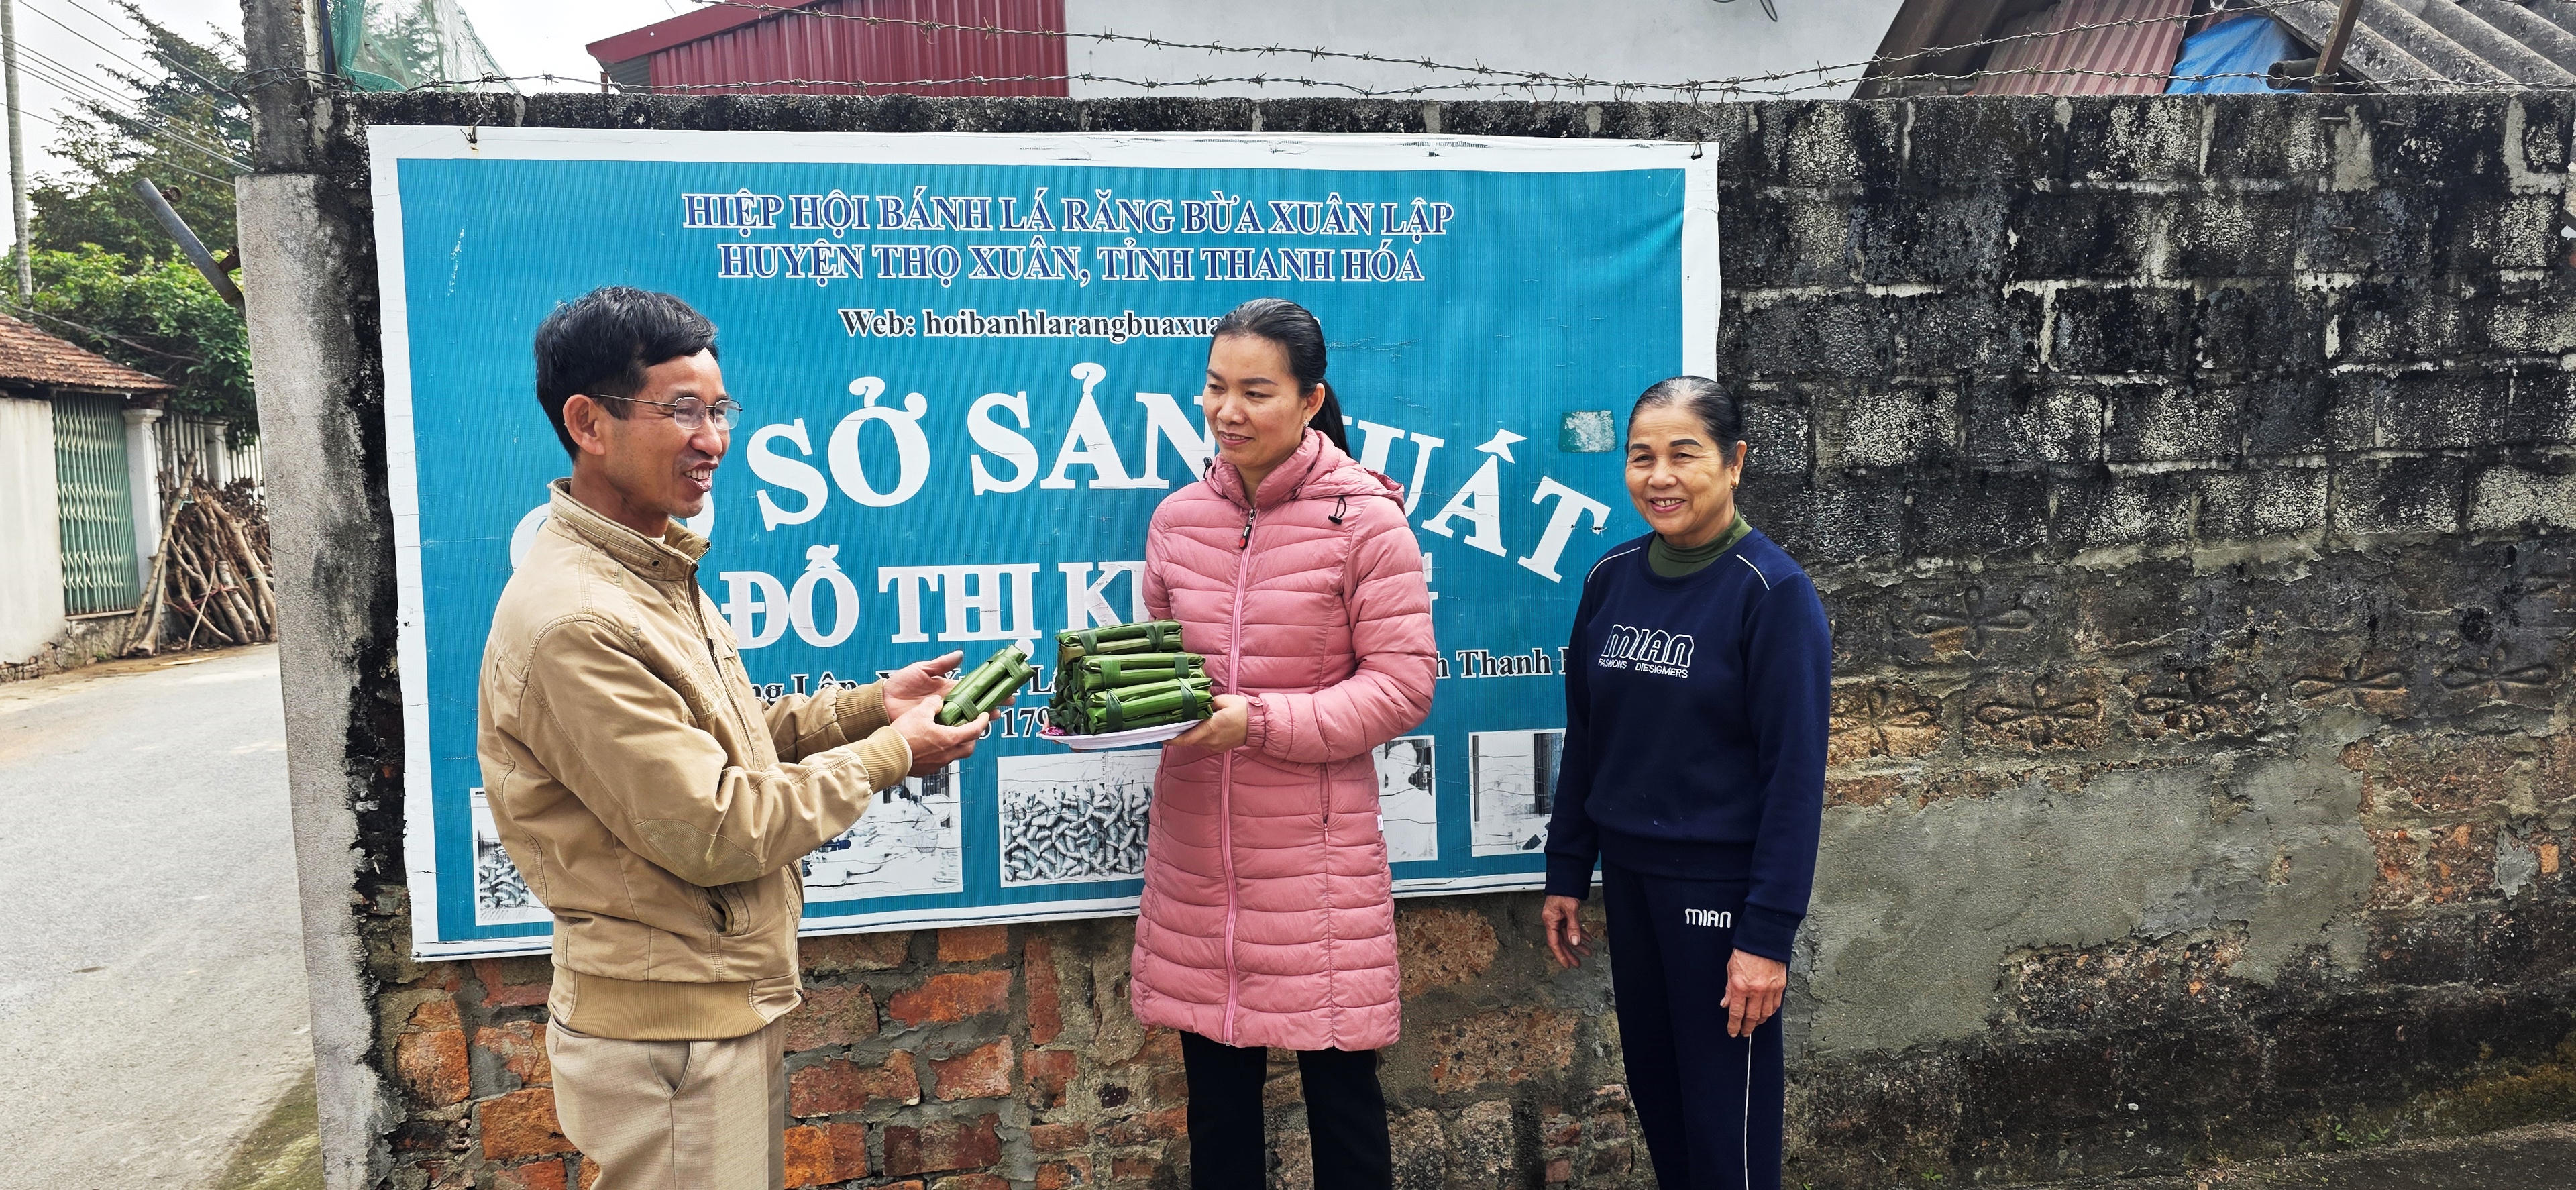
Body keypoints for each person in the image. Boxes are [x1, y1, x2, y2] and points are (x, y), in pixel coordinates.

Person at [476, 286, 987, 1190]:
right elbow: (716, 824)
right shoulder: (579, 619)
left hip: (704, 1001)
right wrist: (896, 752)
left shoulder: (648, 570)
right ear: (588, 422)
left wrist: (874, 705)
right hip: (666, 1034)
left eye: (719, 410)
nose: (711, 437)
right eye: (680, 410)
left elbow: (733, 738)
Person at [1129, 298, 1438, 1189]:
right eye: (1215, 388)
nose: (1228, 410)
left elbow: (1402, 684)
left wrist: (1256, 721)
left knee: (1343, 1111)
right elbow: (1167, 670)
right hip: (1199, 868)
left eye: (1255, 391)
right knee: (1218, 1113)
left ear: (1310, 400)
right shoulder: (1178, 520)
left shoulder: (1365, 521)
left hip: (1315, 873)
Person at [1537, 376, 1830, 1190]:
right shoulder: (1611, 579)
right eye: (1641, 457)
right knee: (1660, 1101)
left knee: (1723, 1122)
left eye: (1683, 454)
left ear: (1734, 462)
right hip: (1631, 883)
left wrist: (1766, 936)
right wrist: (1569, 868)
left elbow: (1794, 780)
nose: (1658, 476)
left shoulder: (1771, 594)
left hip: (1719, 892)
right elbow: (1588, 737)